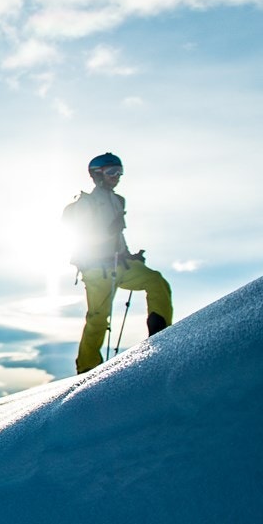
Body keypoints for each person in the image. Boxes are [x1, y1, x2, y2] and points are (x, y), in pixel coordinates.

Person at [65, 152, 173, 373]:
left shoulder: (117, 200)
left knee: (156, 281)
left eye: (119, 171)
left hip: (119, 264)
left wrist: (130, 255)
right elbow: (82, 232)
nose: (118, 176)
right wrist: (106, 235)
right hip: (96, 269)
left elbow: (117, 237)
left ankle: (161, 336)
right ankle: (86, 369)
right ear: (97, 175)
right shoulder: (86, 202)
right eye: (112, 171)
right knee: (97, 318)